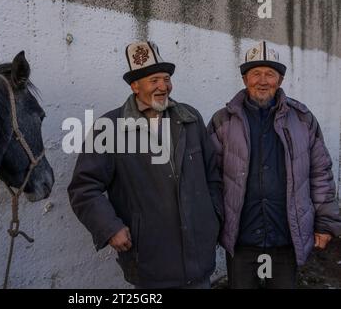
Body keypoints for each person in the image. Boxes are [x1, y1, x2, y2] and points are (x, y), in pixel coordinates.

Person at [68, 41, 222, 289]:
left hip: (199, 258)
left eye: (166, 78)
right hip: (150, 259)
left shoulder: (190, 118)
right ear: (135, 86)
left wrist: (213, 217)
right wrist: (109, 228)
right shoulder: (109, 128)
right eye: (154, 80)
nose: (163, 86)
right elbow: (84, 188)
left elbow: (212, 174)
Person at [208, 41, 341, 289]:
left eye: (270, 74)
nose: (263, 80)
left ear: (280, 80)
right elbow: (210, 178)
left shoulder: (302, 119)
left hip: (285, 236)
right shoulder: (222, 121)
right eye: (255, 73)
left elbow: (320, 173)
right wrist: (212, 225)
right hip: (242, 238)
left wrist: (325, 223)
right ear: (245, 79)